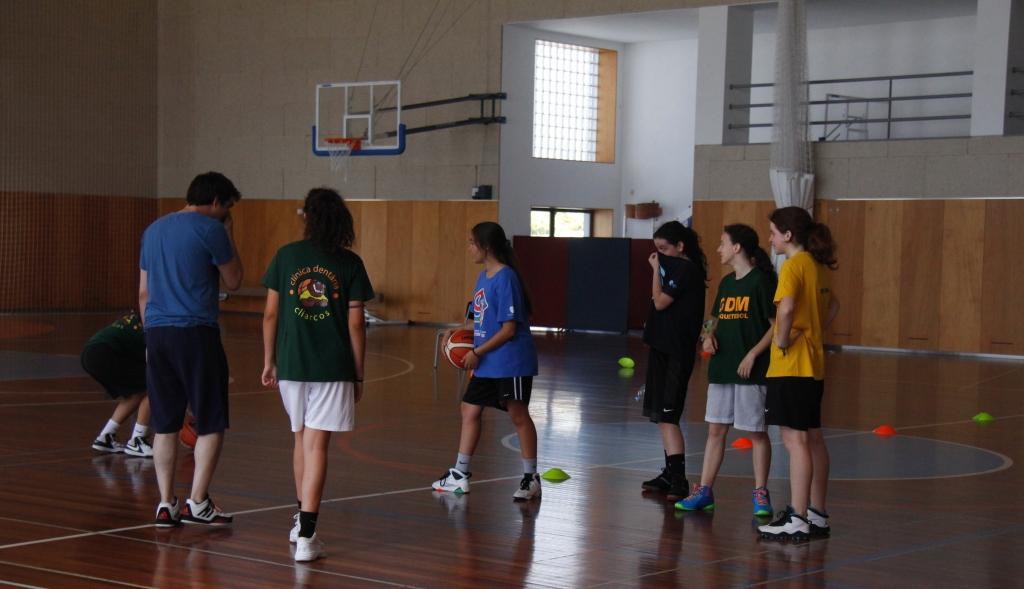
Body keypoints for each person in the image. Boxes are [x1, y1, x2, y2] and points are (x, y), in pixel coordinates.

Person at [261, 188, 374, 563]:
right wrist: (358, 373)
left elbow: (270, 316)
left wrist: (268, 360)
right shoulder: (350, 263)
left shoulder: (286, 256)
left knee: (300, 440)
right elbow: (356, 324)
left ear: (306, 216)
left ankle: (300, 522)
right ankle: (307, 535)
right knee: (317, 446)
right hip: (333, 366)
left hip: (292, 364)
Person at [139, 171, 243, 528]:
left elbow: (143, 292)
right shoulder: (211, 228)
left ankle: (165, 504)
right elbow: (234, 281)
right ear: (215, 202)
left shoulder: (153, 230)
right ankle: (198, 502)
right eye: (227, 208)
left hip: (157, 333)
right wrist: (228, 234)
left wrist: (150, 335)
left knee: (165, 423)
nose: (226, 214)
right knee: (210, 419)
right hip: (196, 333)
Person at [432, 222, 541, 502]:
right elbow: (479, 318)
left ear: (487, 246)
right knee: (469, 410)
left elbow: (509, 329)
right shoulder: (483, 277)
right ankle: (459, 474)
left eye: (471, 242)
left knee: (518, 415)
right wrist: (456, 333)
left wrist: (477, 352)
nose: (468, 248)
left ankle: (531, 478)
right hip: (488, 363)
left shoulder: (506, 278)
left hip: (511, 361)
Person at [676, 224, 776, 515]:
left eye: (722, 243)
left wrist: (753, 355)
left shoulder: (761, 282)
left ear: (737, 248)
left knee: (756, 432)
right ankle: (705, 491)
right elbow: (713, 319)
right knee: (716, 431)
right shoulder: (726, 283)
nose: (718, 249)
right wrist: (707, 335)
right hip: (722, 369)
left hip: (750, 370)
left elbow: (776, 327)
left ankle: (760, 493)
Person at [757, 206, 840, 541]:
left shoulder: (793, 265)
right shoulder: (817, 266)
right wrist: (815, 333)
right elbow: (834, 306)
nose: (770, 238)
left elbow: (787, 307)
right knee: (813, 438)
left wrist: (780, 339)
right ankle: (817, 513)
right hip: (814, 365)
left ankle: (797, 516)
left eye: (774, 232)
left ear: (788, 235)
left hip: (791, 366)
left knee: (795, 441)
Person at [640, 221, 707, 502]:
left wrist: (655, 270)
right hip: (660, 348)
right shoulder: (674, 267)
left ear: (680, 246)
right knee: (660, 416)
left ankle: (679, 478)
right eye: (656, 250)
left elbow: (660, 302)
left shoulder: (686, 269)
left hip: (677, 351)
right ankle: (669, 472)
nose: (660, 255)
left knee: (669, 415)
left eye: (665, 249)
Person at [83, 309, 153, 458]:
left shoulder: (143, 315)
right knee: (154, 386)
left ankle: (106, 436)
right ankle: (138, 440)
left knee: (136, 392)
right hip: (104, 353)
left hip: (90, 353)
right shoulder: (154, 324)